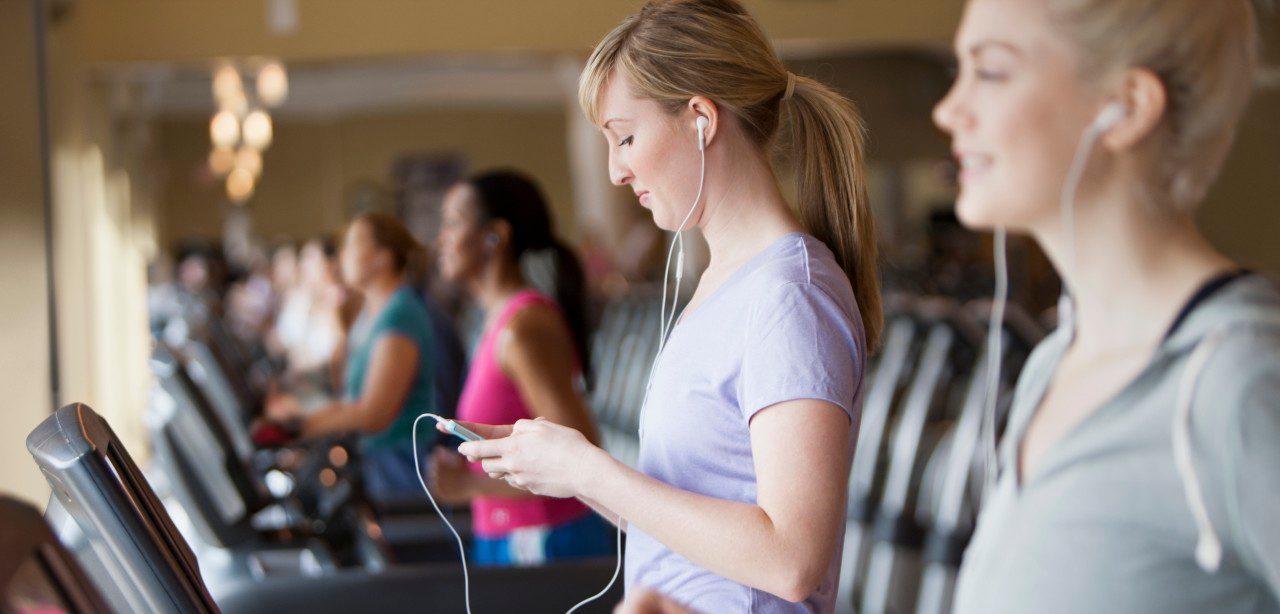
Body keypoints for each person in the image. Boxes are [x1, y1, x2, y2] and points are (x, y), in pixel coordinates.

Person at [448, 0, 882, 610]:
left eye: (625, 137)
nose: (616, 171)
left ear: (701, 119)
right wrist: (554, 466)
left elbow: (792, 560)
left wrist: (590, 473)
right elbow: (685, 522)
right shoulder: (723, 284)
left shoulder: (789, 296)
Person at [932, 0, 1280, 611]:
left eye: (990, 72)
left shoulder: (1236, 381)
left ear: (1128, 108)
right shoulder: (1055, 359)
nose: (948, 110)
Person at [428, 169, 613, 566]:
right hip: (509, 538)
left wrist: (469, 485)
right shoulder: (495, 321)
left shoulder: (523, 327)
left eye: (452, 222)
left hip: (546, 543)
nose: (439, 238)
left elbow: (582, 456)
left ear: (494, 236)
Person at [266, 213, 439, 502]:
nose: (342, 255)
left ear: (382, 258)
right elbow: (346, 389)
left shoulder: (400, 312)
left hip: (400, 470)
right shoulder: (371, 311)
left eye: (353, 245)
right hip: (377, 462)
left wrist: (299, 426)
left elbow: (373, 413)